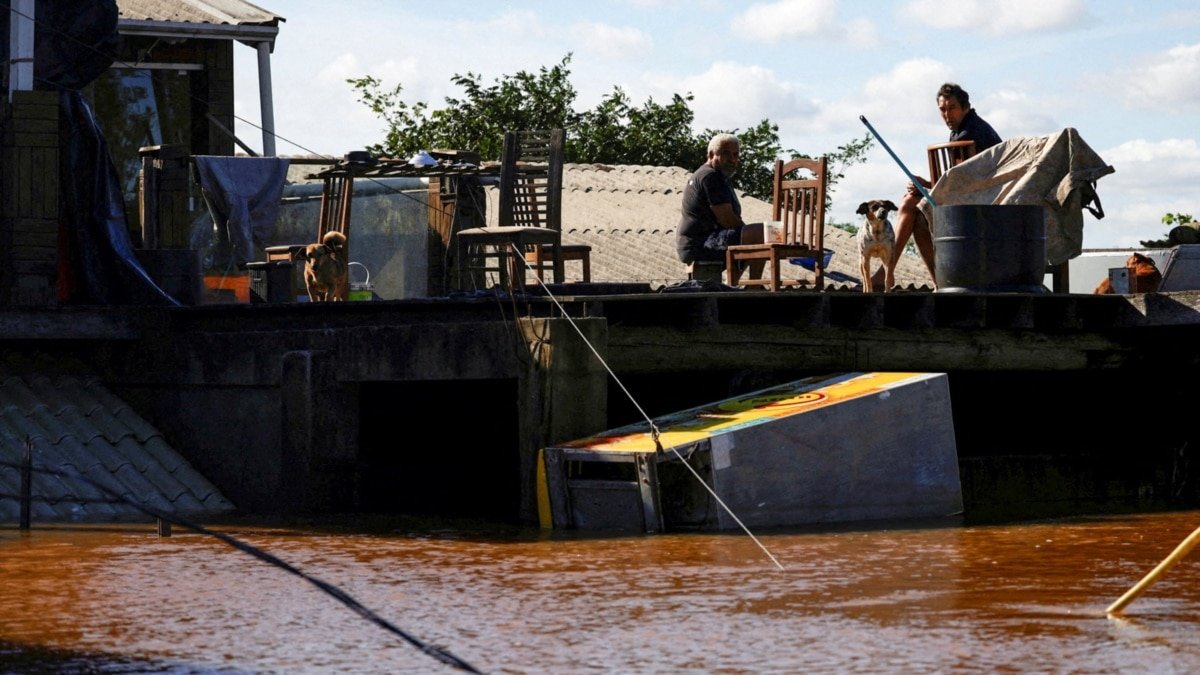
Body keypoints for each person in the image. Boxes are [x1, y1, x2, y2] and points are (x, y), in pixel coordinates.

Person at [888, 83, 1002, 286]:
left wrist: (928, 185)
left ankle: (888, 273)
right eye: (942, 109)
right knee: (914, 211)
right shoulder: (964, 128)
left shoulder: (968, 134)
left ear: (965, 107)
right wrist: (928, 185)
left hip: (980, 209)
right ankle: (938, 282)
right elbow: (957, 181)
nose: (947, 114)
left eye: (952, 108)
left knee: (909, 204)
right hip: (969, 201)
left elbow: (963, 184)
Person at [676, 133, 763, 268]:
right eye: (726, 154)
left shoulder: (715, 176)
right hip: (701, 245)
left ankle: (737, 283)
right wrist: (750, 234)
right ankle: (754, 285)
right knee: (760, 233)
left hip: (697, 243)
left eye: (735, 155)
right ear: (711, 155)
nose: (732, 159)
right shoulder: (710, 176)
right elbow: (727, 219)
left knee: (755, 235)